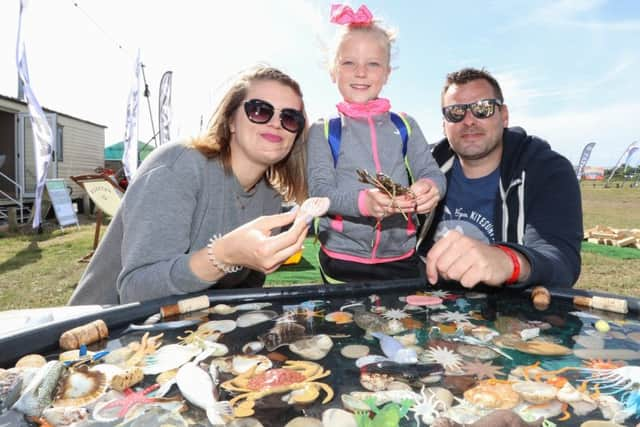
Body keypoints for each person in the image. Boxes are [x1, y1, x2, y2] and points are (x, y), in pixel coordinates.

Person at [69, 66, 310, 305]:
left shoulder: (270, 198)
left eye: (290, 118)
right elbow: (136, 291)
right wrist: (222, 256)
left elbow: (245, 287)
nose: (276, 124)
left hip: (196, 333)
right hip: (102, 330)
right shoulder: (178, 166)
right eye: (259, 110)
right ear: (231, 121)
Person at [307, 4, 446, 283]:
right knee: (346, 325)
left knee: (403, 325)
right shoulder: (323, 131)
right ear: (333, 71)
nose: (361, 72)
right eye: (348, 63)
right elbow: (320, 194)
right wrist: (362, 203)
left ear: (387, 73)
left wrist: (431, 188)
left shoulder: (405, 125)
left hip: (402, 257)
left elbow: (431, 173)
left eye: (373, 63)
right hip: (341, 260)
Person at [418, 67, 582, 290]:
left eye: (482, 109)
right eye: (455, 112)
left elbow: (561, 261)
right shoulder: (425, 170)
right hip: (430, 309)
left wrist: (509, 261)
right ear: (444, 124)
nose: (468, 121)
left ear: (504, 116)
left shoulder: (547, 170)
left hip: (512, 316)